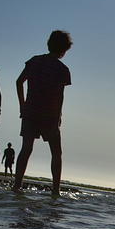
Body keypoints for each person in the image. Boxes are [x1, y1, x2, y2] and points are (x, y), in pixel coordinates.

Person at [13, 30, 72, 196]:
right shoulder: (62, 69)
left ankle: (17, 185)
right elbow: (60, 96)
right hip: (49, 115)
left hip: (30, 110)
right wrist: (58, 116)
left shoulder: (34, 61)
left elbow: (19, 82)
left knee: (26, 148)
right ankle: (55, 190)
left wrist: (22, 105)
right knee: (56, 152)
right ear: (64, 49)